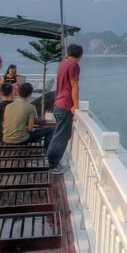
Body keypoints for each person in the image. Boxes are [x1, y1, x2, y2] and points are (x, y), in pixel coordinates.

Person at [47, 43, 82, 172]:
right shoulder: (74, 65)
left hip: (58, 103)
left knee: (58, 134)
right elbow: (74, 86)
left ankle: (49, 161)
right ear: (80, 55)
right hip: (65, 105)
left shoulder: (63, 63)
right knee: (62, 136)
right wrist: (76, 105)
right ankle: (52, 165)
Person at [3, 82, 53, 146]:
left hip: (6, 138)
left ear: (18, 92)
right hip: (21, 139)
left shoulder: (8, 106)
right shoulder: (31, 107)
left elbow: (4, 123)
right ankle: (47, 154)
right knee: (49, 130)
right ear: (30, 95)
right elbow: (30, 129)